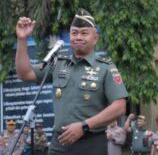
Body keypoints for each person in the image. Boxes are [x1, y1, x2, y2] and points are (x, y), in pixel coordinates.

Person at [15, 8, 128, 155]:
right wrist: (22, 39)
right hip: (59, 143)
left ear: (95, 38)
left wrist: (84, 126)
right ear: (69, 37)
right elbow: (25, 74)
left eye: (84, 33)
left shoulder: (105, 67)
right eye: (74, 33)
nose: (78, 37)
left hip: (91, 143)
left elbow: (119, 107)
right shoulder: (58, 64)